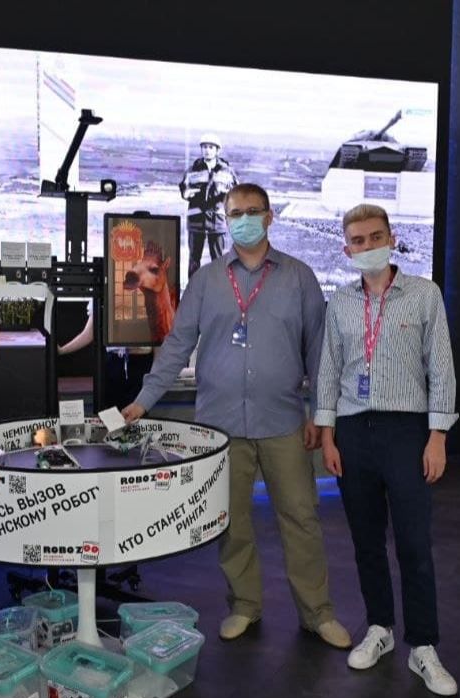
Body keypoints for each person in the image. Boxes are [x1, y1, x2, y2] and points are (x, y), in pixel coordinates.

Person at [122, 183, 351, 649]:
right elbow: (178, 345)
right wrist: (143, 401)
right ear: (226, 220)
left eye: (252, 211)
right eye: (235, 213)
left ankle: (317, 612)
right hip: (220, 426)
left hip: (284, 420)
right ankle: (244, 604)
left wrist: (320, 413)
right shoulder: (206, 280)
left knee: (301, 518)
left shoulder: (299, 277)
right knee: (231, 521)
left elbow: (319, 351)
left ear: (269, 217)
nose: (243, 219)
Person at [315, 203, 458, 696]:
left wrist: (437, 436)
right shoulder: (340, 301)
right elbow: (330, 369)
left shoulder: (423, 295)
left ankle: (423, 645)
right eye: (358, 240)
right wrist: (328, 435)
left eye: (376, 236)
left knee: (414, 542)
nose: (368, 246)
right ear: (346, 248)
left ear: (391, 238)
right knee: (366, 541)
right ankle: (379, 627)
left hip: (407, 431)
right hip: (353, 431)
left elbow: (441, 368)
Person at [179, 133, 238, 280]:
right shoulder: (193, 170)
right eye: (204, 147)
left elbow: (236, 192)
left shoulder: (227, 171)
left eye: (211, 147)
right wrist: (188, 193)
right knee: (194, 260)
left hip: (217, 221)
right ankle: (193, 288)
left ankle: (217, 289)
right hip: (196, 220)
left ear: (217, 150)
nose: (207, 150)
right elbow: (184, 189)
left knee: (218, 260)